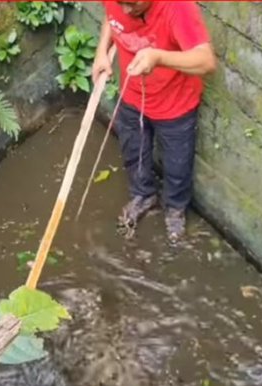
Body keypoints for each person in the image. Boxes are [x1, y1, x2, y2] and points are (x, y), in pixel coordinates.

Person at [92, 1, 217, 243]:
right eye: (122, 3)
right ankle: (143, 195)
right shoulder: (120, 3)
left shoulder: (178, 7)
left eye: (134, 4)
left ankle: (175, 209)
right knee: (133, 151)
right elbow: (112, 17)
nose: (126, 11)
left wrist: (158, 57)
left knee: (177, 167)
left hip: (175, 104)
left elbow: (206, 61)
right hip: (131, 95)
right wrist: (101, 53)